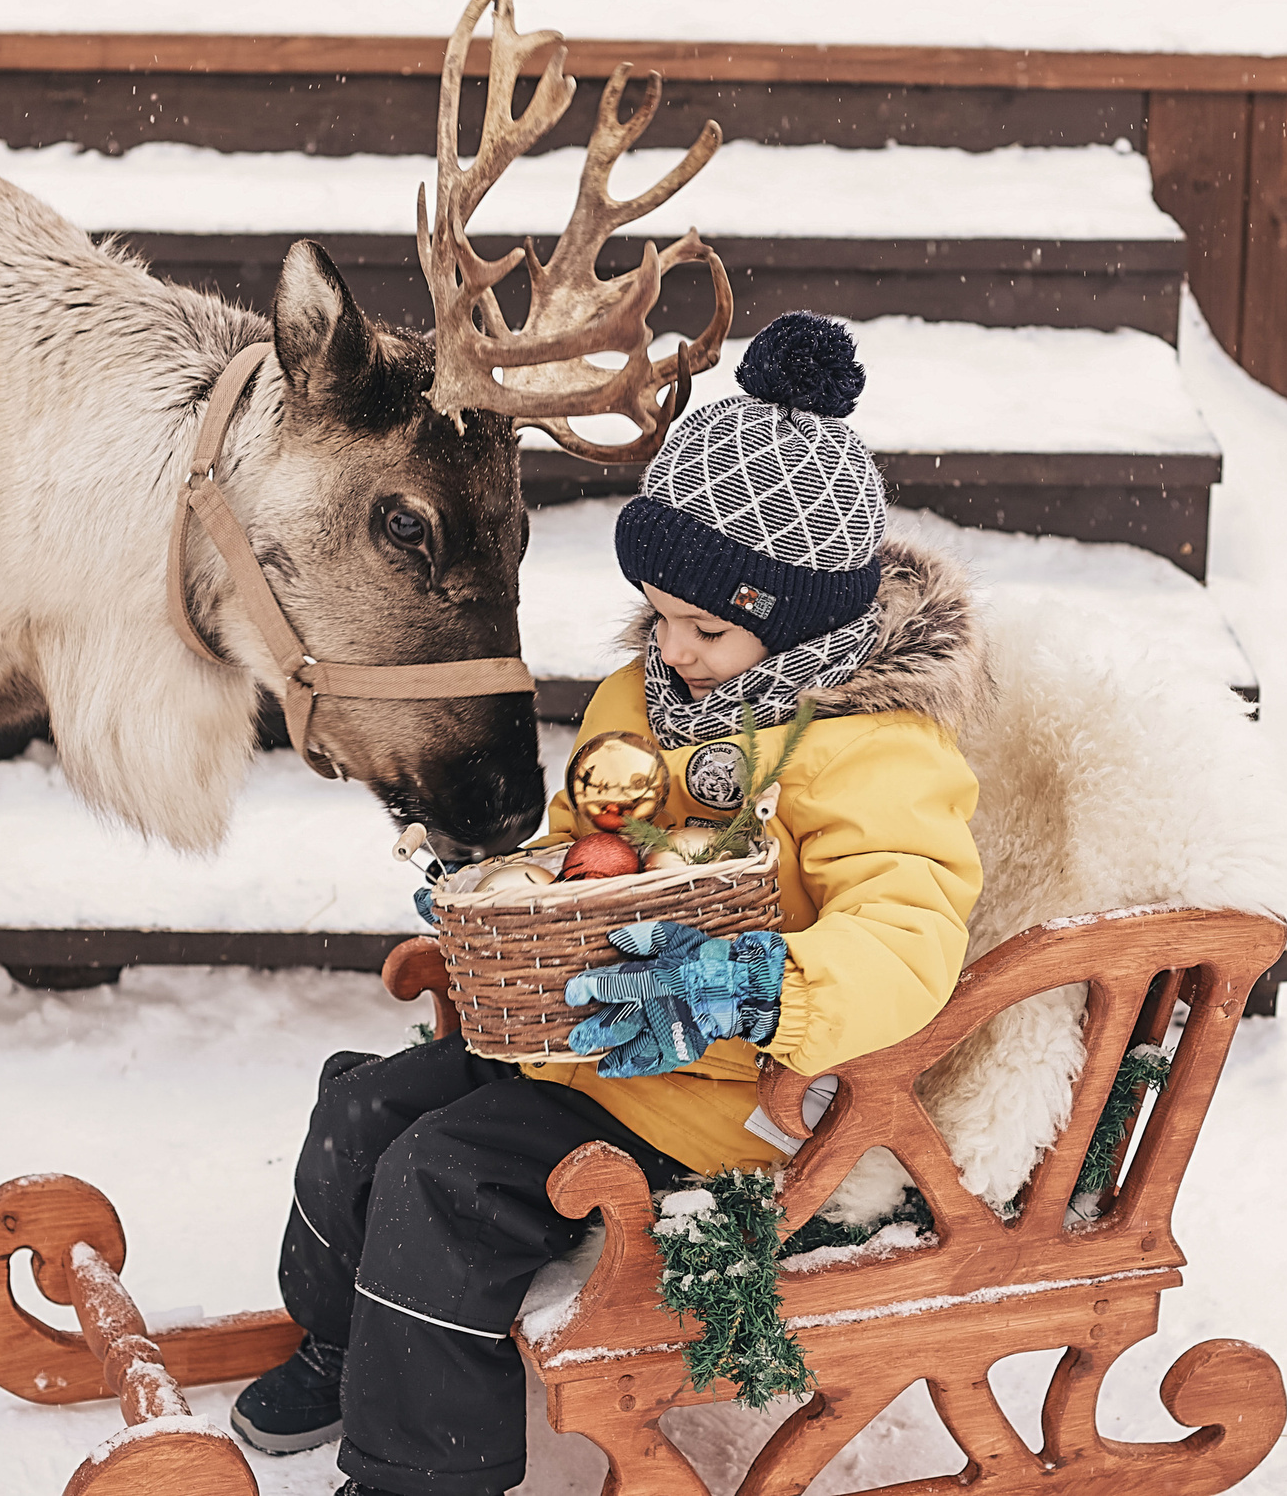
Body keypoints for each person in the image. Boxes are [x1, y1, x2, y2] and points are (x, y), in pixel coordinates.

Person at [229, 312, 987, 1496]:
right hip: (578, 1030)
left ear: (798, 620)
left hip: (719, 1095)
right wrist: (520, 894)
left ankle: (422, 1474)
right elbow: (596, 835)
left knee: (446, 1181)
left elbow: (908, 931)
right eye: (657, 612)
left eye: (706, 627)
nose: (669, 649)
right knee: (367, 1111)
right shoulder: (649, 694)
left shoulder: (872, 751)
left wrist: (762, 990)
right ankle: (343, 1339)